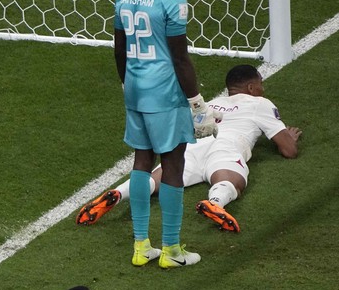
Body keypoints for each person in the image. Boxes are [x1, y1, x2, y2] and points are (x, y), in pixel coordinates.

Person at [77, 64, 301, 233]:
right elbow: (288, 151)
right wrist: (289, 138)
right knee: (231, 179)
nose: (263, 88)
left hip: (194, 146)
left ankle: (119, 193)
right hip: (228, 145)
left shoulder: (211, 103)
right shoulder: (260, 103)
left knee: (159, 177)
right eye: (261, 83)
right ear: (251, 87)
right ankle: (215, 203)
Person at [113, 0, 220, 269]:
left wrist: (126, 83)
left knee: (142, 161)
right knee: (173, 163)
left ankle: (141, 246)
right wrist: (197, 102)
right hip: (164, 91)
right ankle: (171, 250)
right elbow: (179, 58)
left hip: (135, 88)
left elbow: (119, 48)